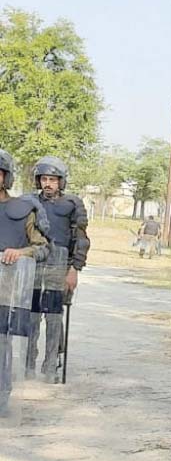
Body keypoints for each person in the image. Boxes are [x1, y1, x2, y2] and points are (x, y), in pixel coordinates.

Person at [25, 156, 90, 383]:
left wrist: (74, 269)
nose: (48, 184)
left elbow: (81, 239)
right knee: (31, 316)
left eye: (53, 179)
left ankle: (52, 365)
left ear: (61, 181)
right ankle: (27, 366)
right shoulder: (29, 201)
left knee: (54, 317)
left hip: (60, 264)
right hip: (34, 263)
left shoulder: (73, 204)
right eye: (44, 178)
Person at [0, 149, 49, 413]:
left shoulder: (23, 210)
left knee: (0, 345)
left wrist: (19, 253)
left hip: (6, 290)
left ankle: (1, 397)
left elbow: (41, 247)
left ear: (6, 177)